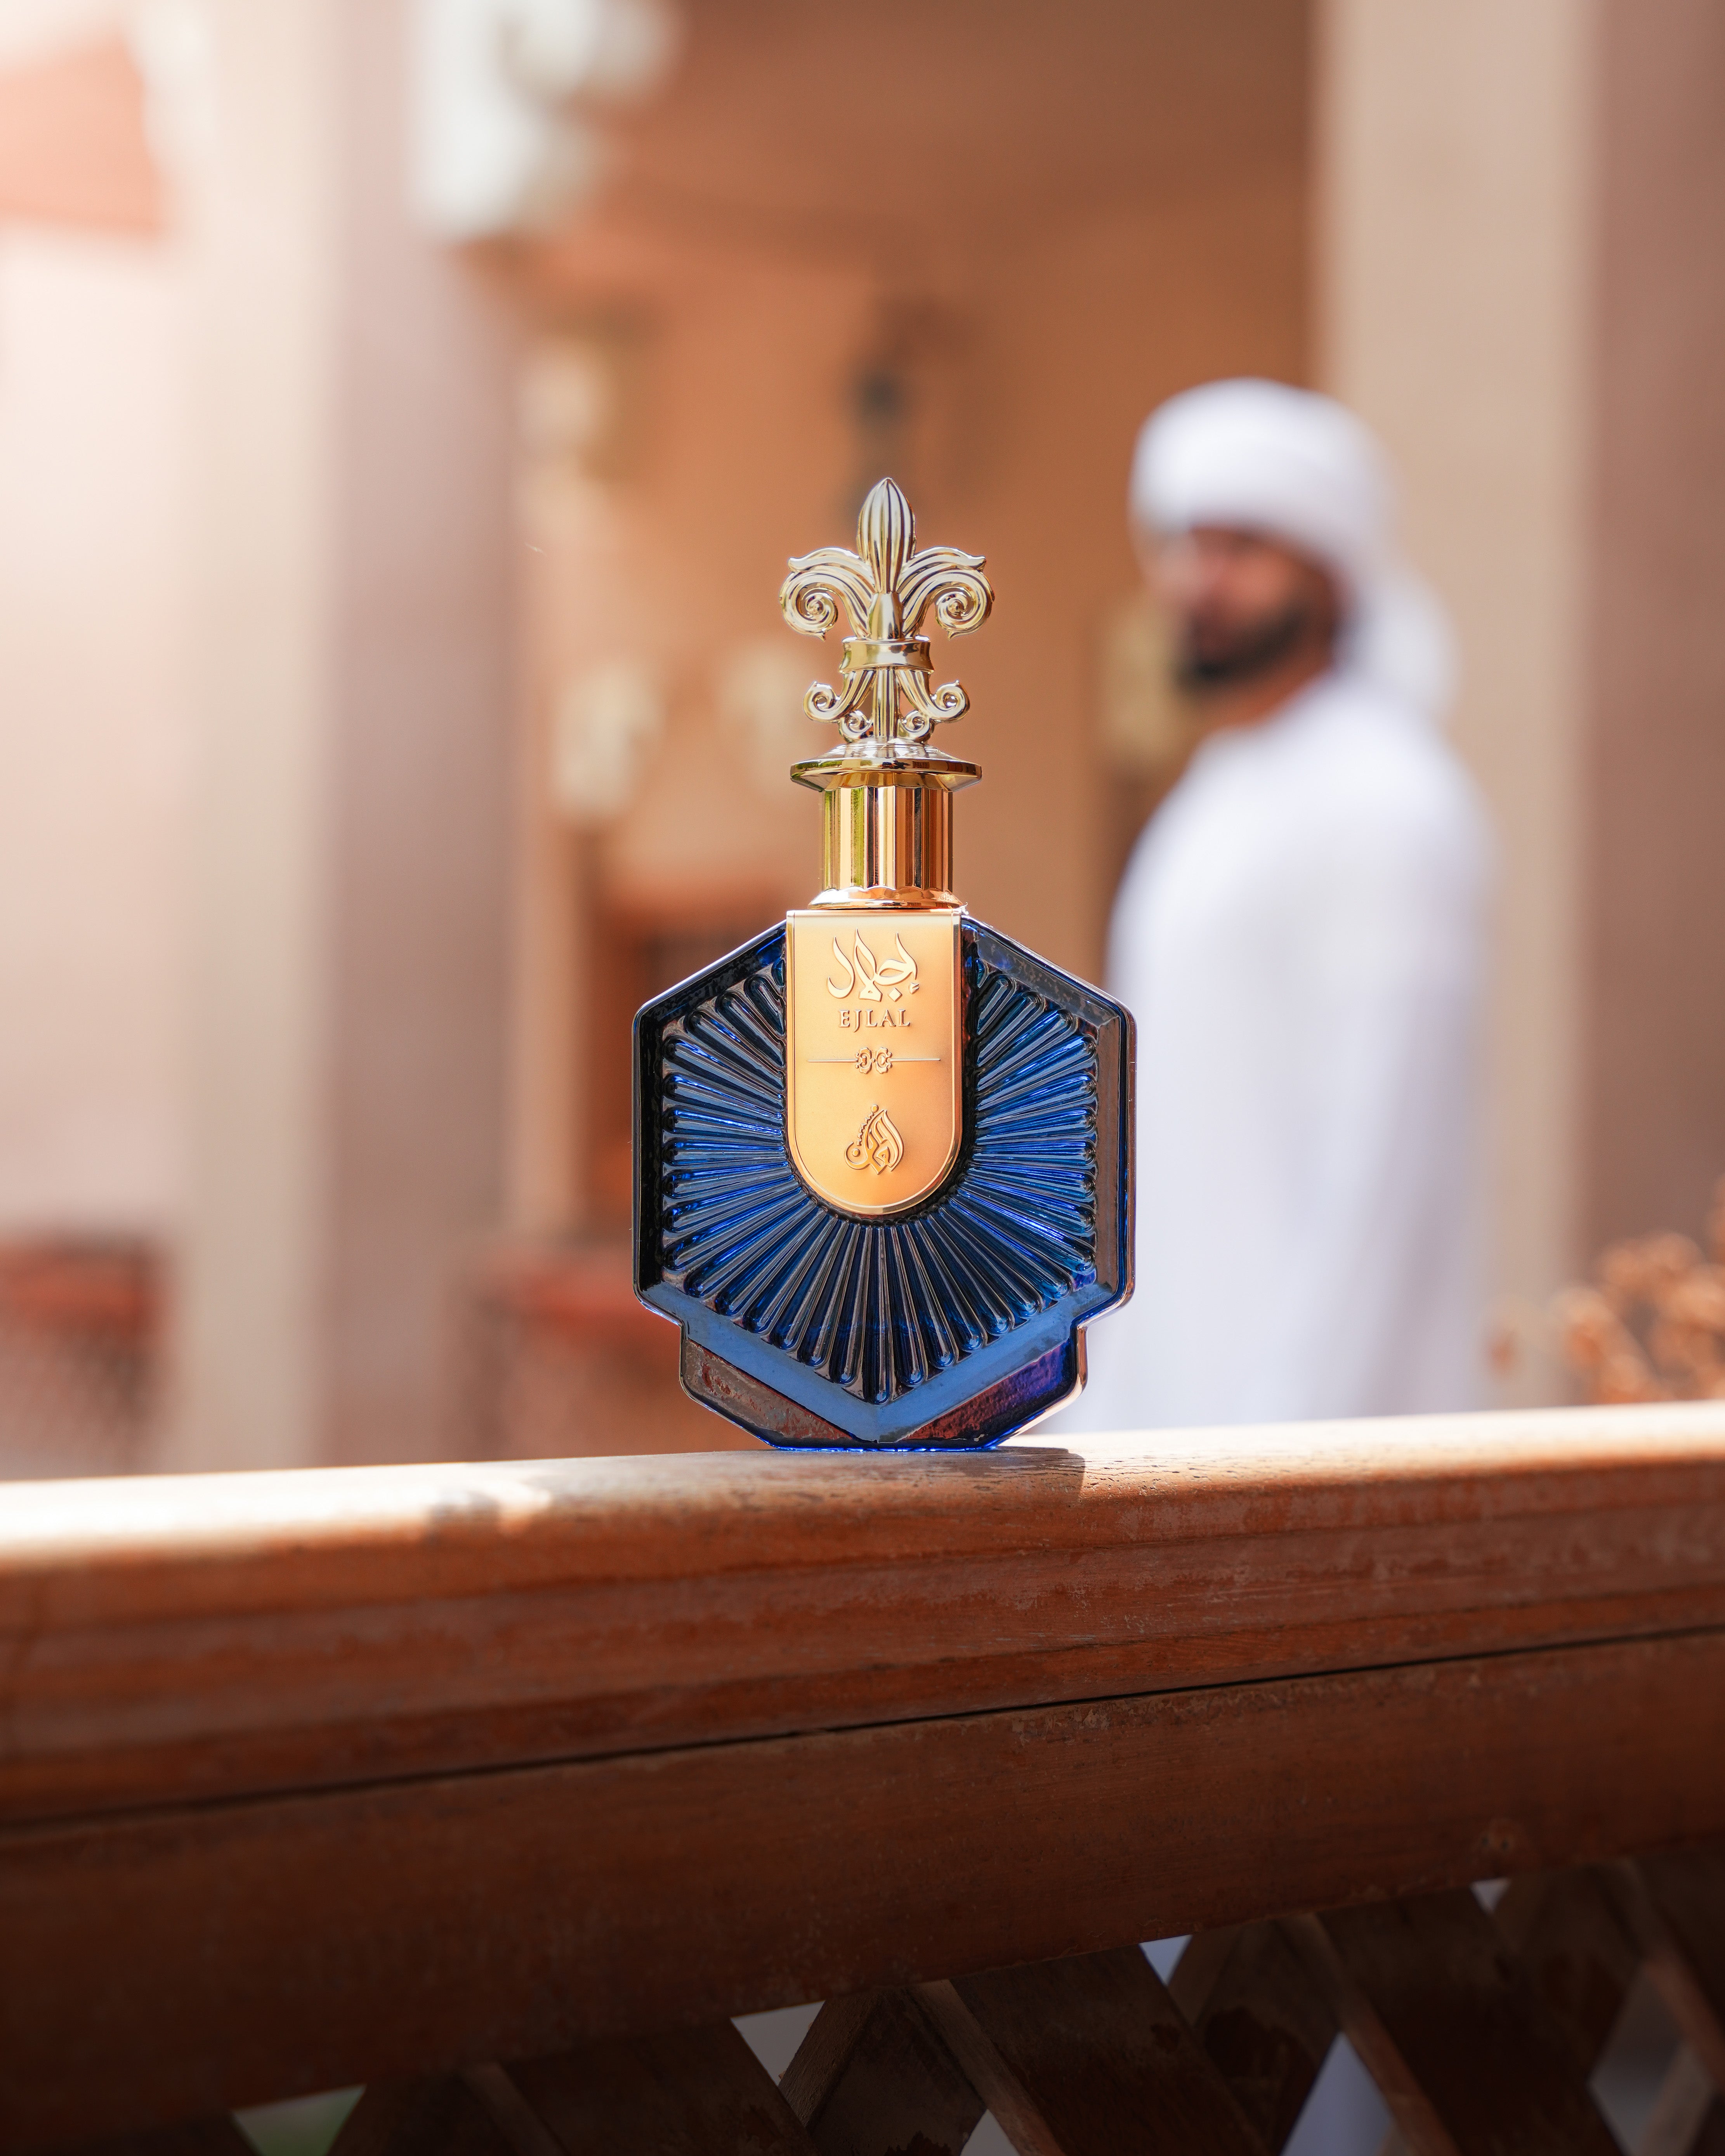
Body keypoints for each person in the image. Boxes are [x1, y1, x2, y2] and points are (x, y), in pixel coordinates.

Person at [1069, 378, 1492, 1434]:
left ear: (1332, 574)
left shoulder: (1386, 800)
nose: (1200, 581)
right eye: (1186, 545)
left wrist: (1291, 1452)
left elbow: (1382, 1171)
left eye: (1243, 548)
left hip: (1312, 1444)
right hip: (1176, 1424)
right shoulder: (1219, 794)